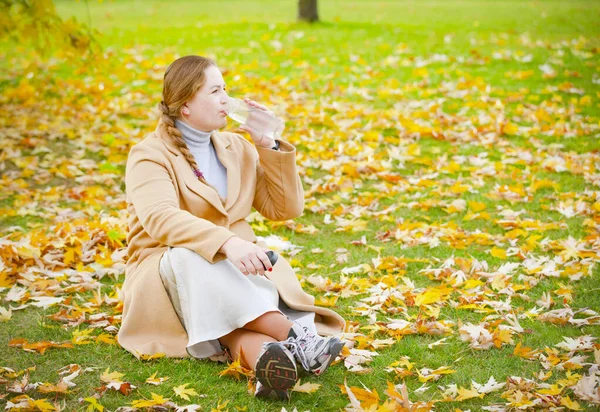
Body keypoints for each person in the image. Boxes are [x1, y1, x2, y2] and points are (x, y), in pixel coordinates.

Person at [117, 55, 346, 400]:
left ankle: (267, 367)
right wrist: (228, 243)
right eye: (214, 91)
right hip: (169, 273)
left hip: (238, 275)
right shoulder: (149, 154)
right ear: (185, 106)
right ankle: (298, 337)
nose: (226, 98)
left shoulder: (237, 147)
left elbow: (283, 208)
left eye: (225, 89)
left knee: (228, 327)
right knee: (189, 258)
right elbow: (160, 218)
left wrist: (266, 143)